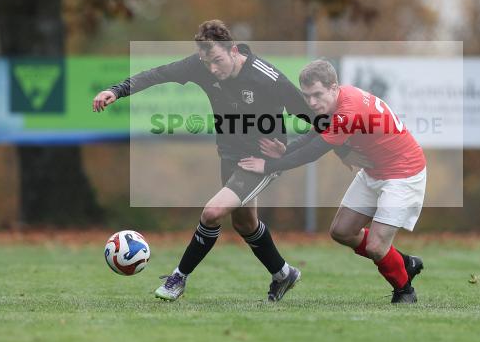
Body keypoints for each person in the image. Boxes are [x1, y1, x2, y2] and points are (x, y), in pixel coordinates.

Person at [93, 20, 315, 303]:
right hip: (230, 154)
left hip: (261, 160)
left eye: (217, 61)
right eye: (206, 62)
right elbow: (157, 74)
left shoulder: (266, 77)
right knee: (245, 224)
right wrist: (117, 90)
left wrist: (287, 151)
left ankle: (178, 278)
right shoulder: (201, 64)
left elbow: (316, 120)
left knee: (212, 213)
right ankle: (283, 274)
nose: (212, 69)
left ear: (233, 50)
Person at [239, 59, 426, 304]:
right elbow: (315, 133)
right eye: (307, 96)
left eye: (317, 95)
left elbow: (312, 152)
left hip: (403, 173)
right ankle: (403, 263)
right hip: (374, 172)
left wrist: (268, 166)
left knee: (376, 247)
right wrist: (284, 152)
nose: (312, 102)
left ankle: (405, 291)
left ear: (334, 87)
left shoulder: (348, 111)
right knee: (342, 231)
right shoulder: (338, 100)